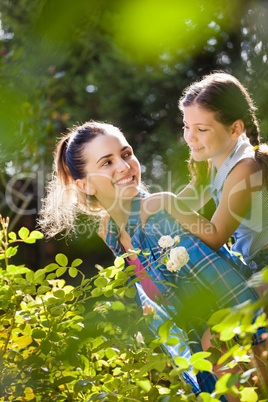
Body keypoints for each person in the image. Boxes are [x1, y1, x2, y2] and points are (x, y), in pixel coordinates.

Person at [39, 121, 265, 401]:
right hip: (207, 366)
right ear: (83, 184)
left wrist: (229, 350)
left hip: (240, 348)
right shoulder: (112, 234)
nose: (124, 166)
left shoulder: (157, 217)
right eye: (107, 162)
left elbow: (228, 290)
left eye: (125, 154)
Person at [141, 72, 268, 278]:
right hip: (255, 261)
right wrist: (136, 212)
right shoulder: (215, 164)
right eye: (186, 126)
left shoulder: (245, 168)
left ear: (235, 128)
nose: (189, 137)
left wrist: (167, 201)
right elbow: (184, 206)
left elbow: (216, 236)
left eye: (201, 129)